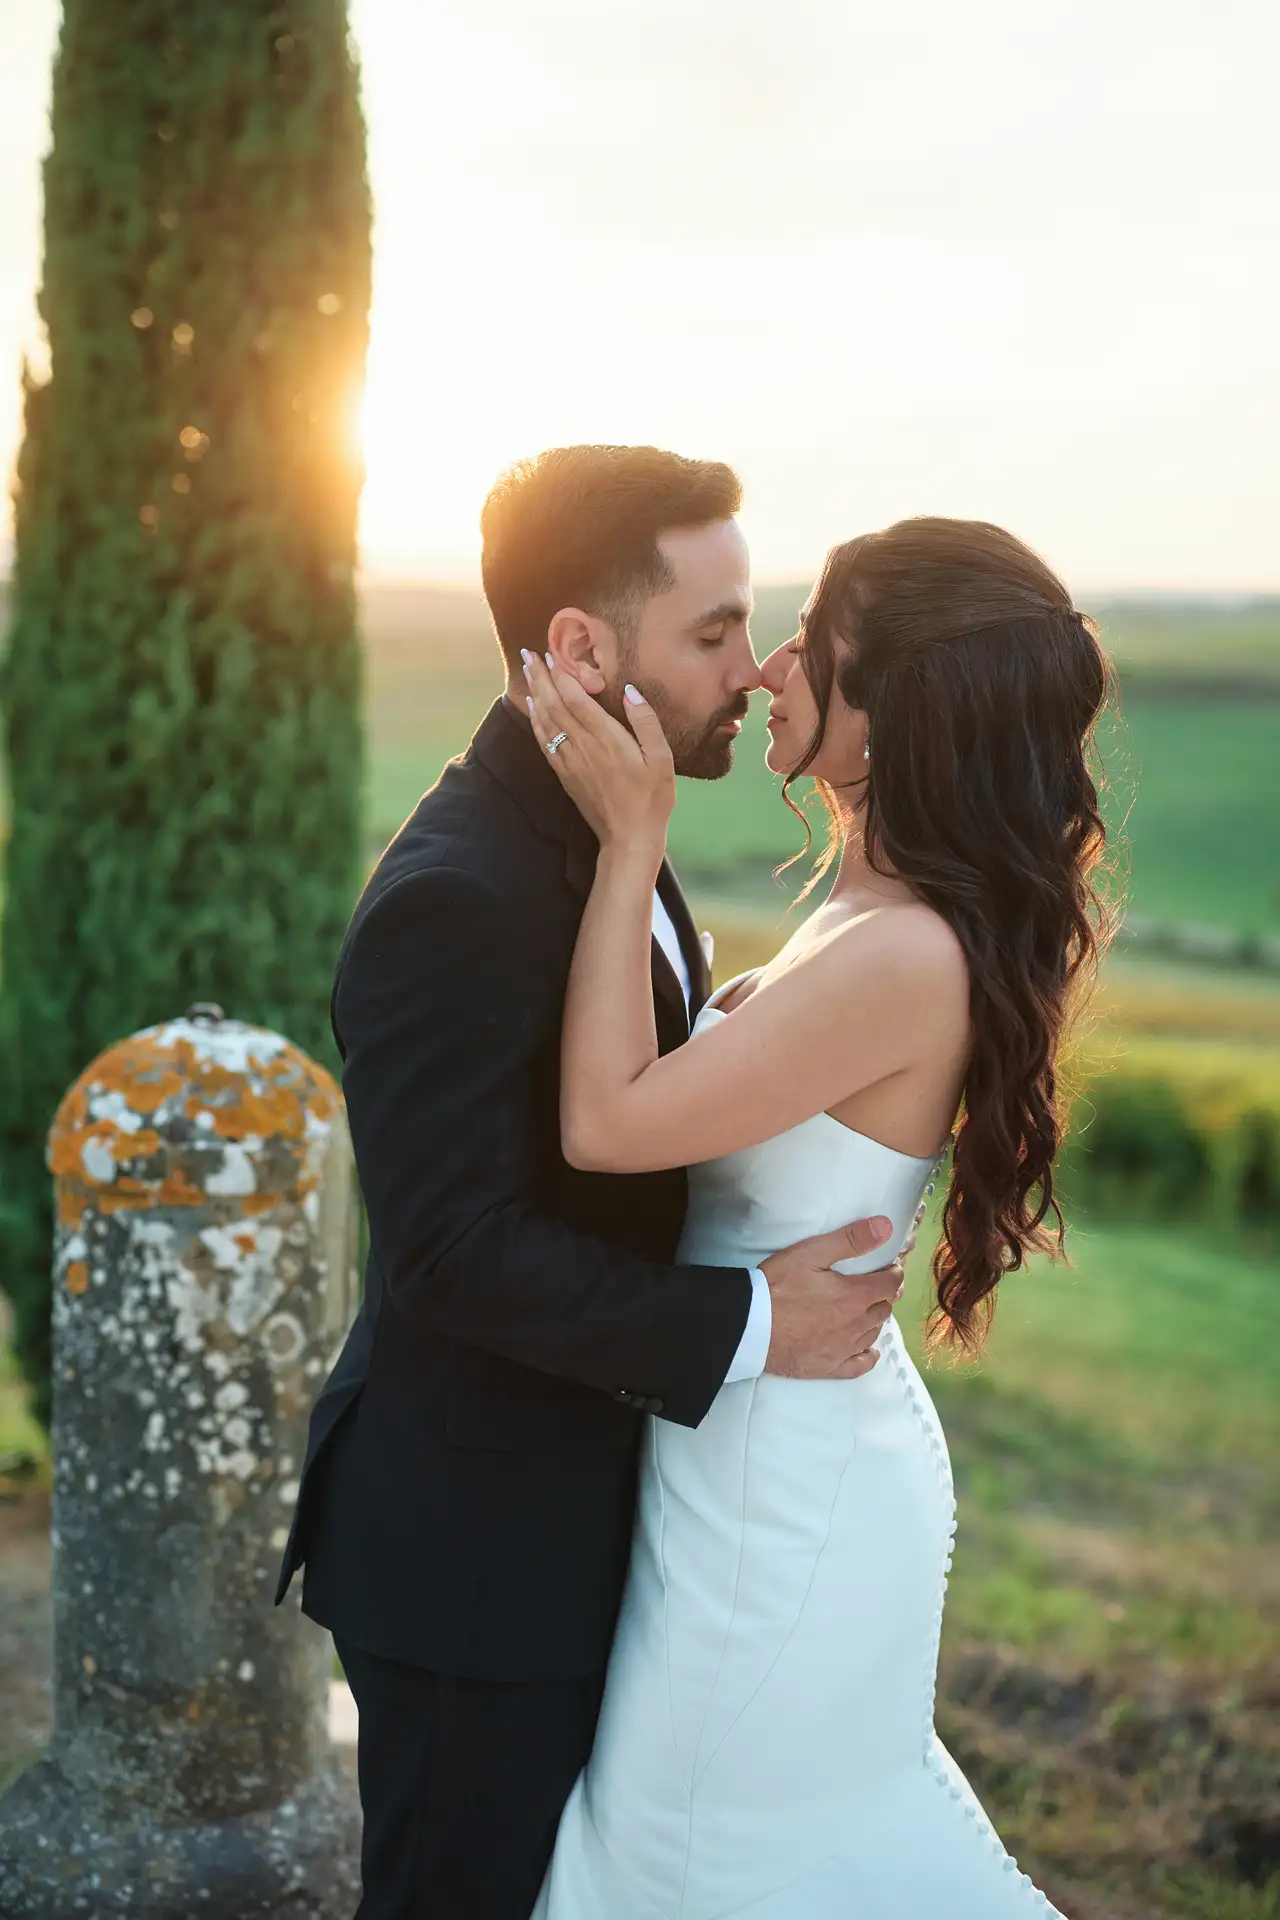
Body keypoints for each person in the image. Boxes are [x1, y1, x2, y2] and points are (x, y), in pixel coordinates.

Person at [273, 445, 911, 1919]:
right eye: (714, 631)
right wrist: (756, 1323)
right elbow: (454, 1253)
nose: (752, 672)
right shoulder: (457, 893)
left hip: (584, 1519)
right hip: (473, 1557)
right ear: (581, 648)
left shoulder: (609, 816)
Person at [522, 514, 1112, 1919]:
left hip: (782, 1498)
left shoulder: (904, 952)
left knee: (688, 1859)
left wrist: (631, 843)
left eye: (808, 642)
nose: (769, 670)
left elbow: (607, 1124)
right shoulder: (868, 905)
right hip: (747, 1443)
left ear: (895, 702)